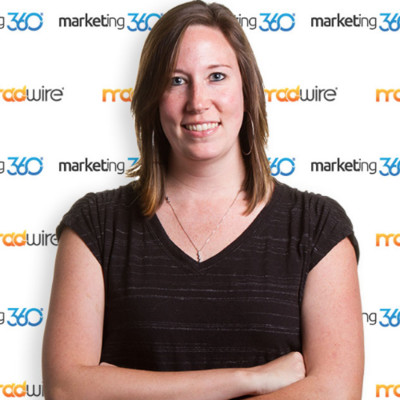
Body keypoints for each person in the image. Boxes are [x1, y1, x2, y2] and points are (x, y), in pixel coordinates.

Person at [42, 1, 364, 399]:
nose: (197, 101)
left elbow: (336, 393)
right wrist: (248, 379)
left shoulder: (316, 227)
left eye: (217, 76)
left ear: (246, 88)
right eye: (176, 80)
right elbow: (66, 390)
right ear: (153, 97)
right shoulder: (96, 226)